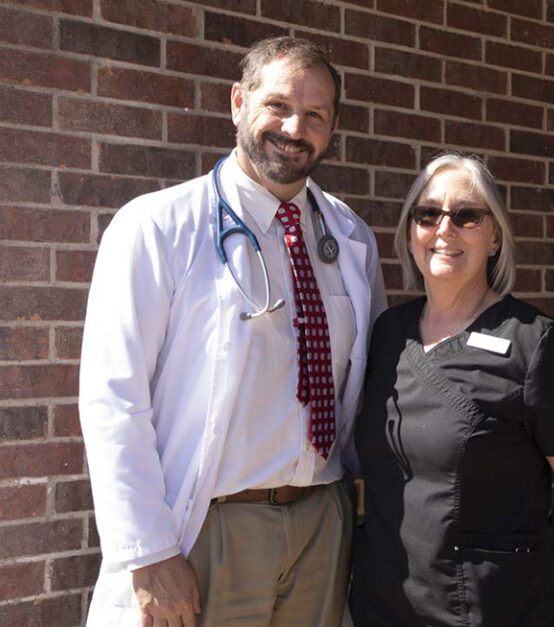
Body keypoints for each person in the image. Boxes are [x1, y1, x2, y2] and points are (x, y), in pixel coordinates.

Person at [79, 37, 386, 627]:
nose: (295, 128)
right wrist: (148, 554)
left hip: (321, 525)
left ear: (332, 127)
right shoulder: (157, 227)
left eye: (315, 115)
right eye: (277, 106)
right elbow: (113, 400)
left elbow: (362, 388)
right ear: (238, 103)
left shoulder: (349, 236)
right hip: (209, 531)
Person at [348, 153, 554, 626]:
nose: (444, 229)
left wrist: (530, 583)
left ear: (494, 238)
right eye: (428, 214)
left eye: (466, 215)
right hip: (381, 607)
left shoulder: (535, 344)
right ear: (411, 232)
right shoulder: (389, 333)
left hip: (492, 612)